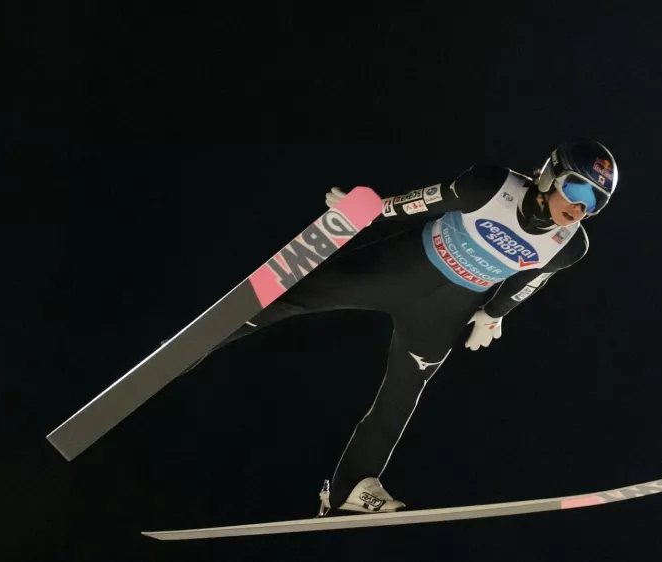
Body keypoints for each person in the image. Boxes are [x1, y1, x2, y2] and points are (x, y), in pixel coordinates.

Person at [200, 140, 618, 516]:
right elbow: (426, 201)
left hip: (445, 311)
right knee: (298, 296)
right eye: (577, 190)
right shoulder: (490, 184)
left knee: (403, 392)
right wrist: (368, 211)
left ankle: (351, 486)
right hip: (400, 269)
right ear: (549, 174)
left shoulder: (570, 245)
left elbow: (528, 281)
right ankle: (200, 342)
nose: (580, 207)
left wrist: (494, 315)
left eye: (594, 203)